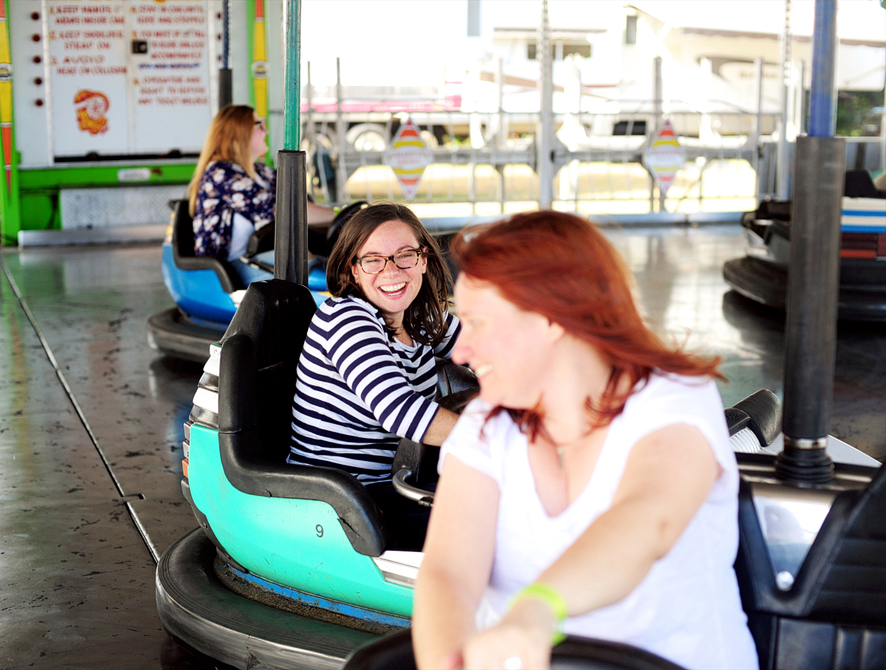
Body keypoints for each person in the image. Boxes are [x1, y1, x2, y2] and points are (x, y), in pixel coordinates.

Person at [412, 211, 758, 670]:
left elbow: (647, 518)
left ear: (550, 318)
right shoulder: (486, 425)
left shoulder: (673, 399)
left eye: (477, 323)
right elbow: (449, 573)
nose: (460, 350)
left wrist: (537, 609)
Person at [287, 202, 460, 549]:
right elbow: (399, 410)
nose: (391, 270)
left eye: (404, 255)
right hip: (344, 501)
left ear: (423, 260)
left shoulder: (420, 317)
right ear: (354, 270)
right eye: (373, 260)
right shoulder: (346, 317)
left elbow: (488, 348)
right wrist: (505, 442)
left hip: (395, 482)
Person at [188, 104, 335, 286]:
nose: (266, 132)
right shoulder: (221, 174)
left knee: (325, 260)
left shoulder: (261, 172)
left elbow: (295, 199)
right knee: (304, 266)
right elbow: (289, 211)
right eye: (260, 125)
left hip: (256, 256)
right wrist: (341, 216)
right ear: (239, 131)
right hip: (228, 270)